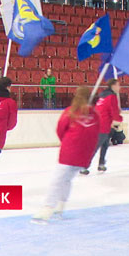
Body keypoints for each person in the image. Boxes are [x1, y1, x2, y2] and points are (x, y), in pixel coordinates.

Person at [32, 87, 101, 223]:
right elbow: (96, 134)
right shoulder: (95, 115)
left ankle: (47, 208)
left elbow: (60, 130)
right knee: (66, 179)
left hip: (69, 152)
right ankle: (60, 205)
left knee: (57, 180)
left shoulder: (71, 112)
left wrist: (68, 143)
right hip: (85, 154)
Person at [82, 79, 122, 174]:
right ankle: (84, 166)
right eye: (118, 85)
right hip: (103, 125)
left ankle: (101, 164)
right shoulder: (112, 96)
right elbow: (113, 111)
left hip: (100, 123)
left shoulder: (103, 95)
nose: (120, 87)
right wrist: (119, 118)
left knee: (105, 144)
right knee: (96, 146)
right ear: (113, 86)